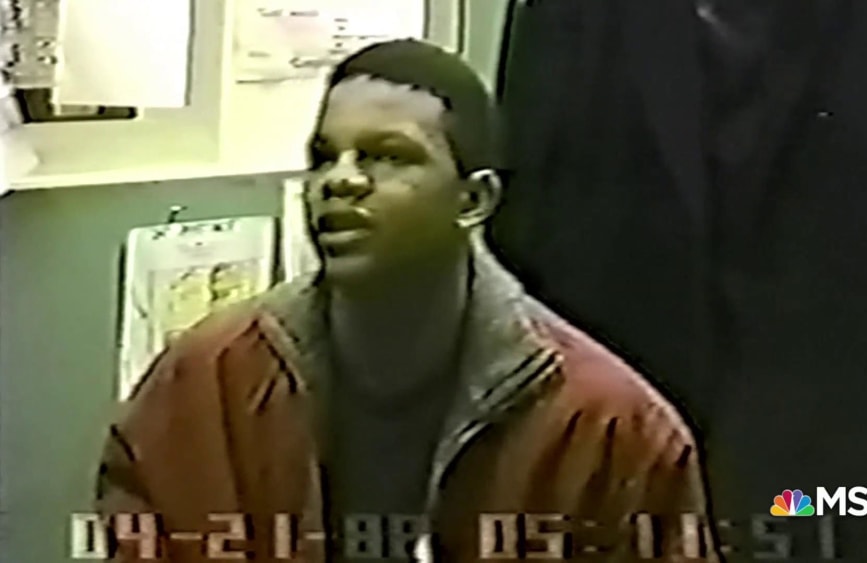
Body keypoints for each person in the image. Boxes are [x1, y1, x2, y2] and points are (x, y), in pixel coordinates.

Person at [93, 40, 720, 563]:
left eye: (387, 156)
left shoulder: (609, 428)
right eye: (323, 158)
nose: (341, 180)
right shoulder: (204, 384)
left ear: (473, 201)